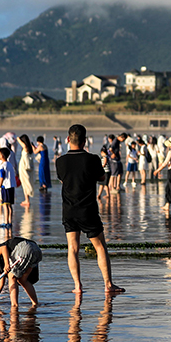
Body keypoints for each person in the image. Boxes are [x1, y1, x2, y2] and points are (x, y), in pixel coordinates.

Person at [56, 124, 124, 295]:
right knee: (100, 247)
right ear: (85, 141)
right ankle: (108, 284)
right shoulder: (93, 159)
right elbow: (101, 177)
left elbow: (64, 180)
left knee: (72, 248)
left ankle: (77, 286)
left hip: (69, 210)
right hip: (88, 209)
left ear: (68, 140)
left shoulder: (60, 161)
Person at [0, 236, 42, 308]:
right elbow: (0, 284)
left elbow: (3, 248)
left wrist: (7, 264)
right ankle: (35, 303)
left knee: (12, 277)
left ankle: (14, 306)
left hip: (24, 247)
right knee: (23, 280)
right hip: (36, 249)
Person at [0, 146, 17, 229]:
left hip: (5, 187)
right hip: (11, 186)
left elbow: (1, 177)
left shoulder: (2, 166)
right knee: (10, 205)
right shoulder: (9, 164)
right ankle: (10, 222)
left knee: (5, 205)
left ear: (2, 155)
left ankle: (6, 221)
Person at [17, 134, 36, 207]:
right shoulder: (30, 148)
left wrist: (18, 139)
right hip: (27, 167)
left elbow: (24, 145)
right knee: (26, 182)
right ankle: (26, 199)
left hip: (24, 168)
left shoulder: (26, 148)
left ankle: (27, 200)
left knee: (25, 183)